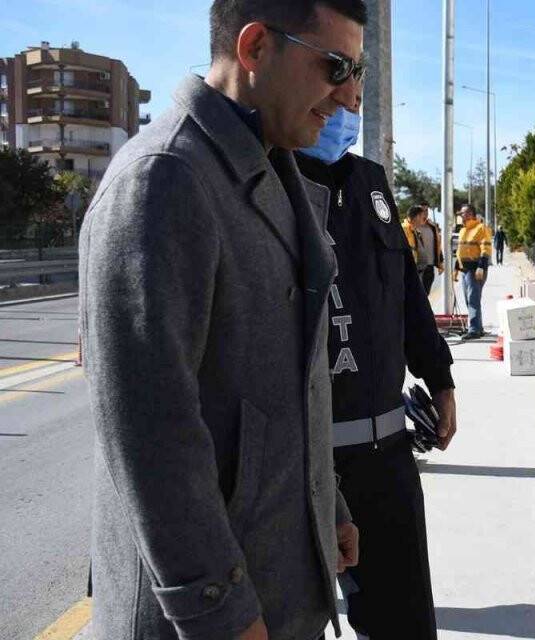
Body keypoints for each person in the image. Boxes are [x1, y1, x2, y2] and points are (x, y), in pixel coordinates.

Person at [78, 1, 366, 638]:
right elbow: (150, 434)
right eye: (336, 66)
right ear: (256, 45)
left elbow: (279, 394)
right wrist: (217, 610)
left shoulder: (271, 167)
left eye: (357, 70)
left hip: (279, 589)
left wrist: (327, 506)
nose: (349, 96)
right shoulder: (163, 180)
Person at [296, 99, 458, 638]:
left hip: (385, 458)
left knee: (404, 624)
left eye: (359, 89)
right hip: (301, 464)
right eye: (335, 77)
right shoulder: (266, 178)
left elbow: (408, 295)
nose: (347, 105)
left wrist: (440, 377)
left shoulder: (369, 181)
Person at [455, 204, 493, 339]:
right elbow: (460, 251)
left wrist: (481, 267)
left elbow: (486, 249)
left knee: (473, 299)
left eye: (463, 213)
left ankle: (474, 329)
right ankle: (478, 327)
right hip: (465, 270)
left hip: (475, 269)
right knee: (469, 299)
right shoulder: (463, 230)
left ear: (471, 214)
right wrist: (456, 269)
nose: (461, 215)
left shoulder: (481, 228)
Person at [403, 205, 444, 297]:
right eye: (422, 215)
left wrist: (440, 262)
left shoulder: (421, 230)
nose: (424, 217)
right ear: (417, 216)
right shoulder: (404, 230)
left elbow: (437, 245)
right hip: (410, 271)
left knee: (423, 297)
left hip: (424, 269)